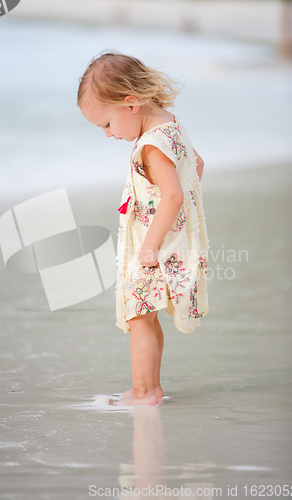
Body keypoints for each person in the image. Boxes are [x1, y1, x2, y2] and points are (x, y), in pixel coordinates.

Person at [77, 52, 209, 406]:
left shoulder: (151, 145)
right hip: (172, 241)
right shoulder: (171, 125)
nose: (107, 135)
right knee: (146, 317)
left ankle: (144, 392)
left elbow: (173, 196)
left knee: (138, 317)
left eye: (106, 124)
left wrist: (150, 247)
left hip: (155, 247)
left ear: (130, 104)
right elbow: (196, 165)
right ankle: (152, 389)